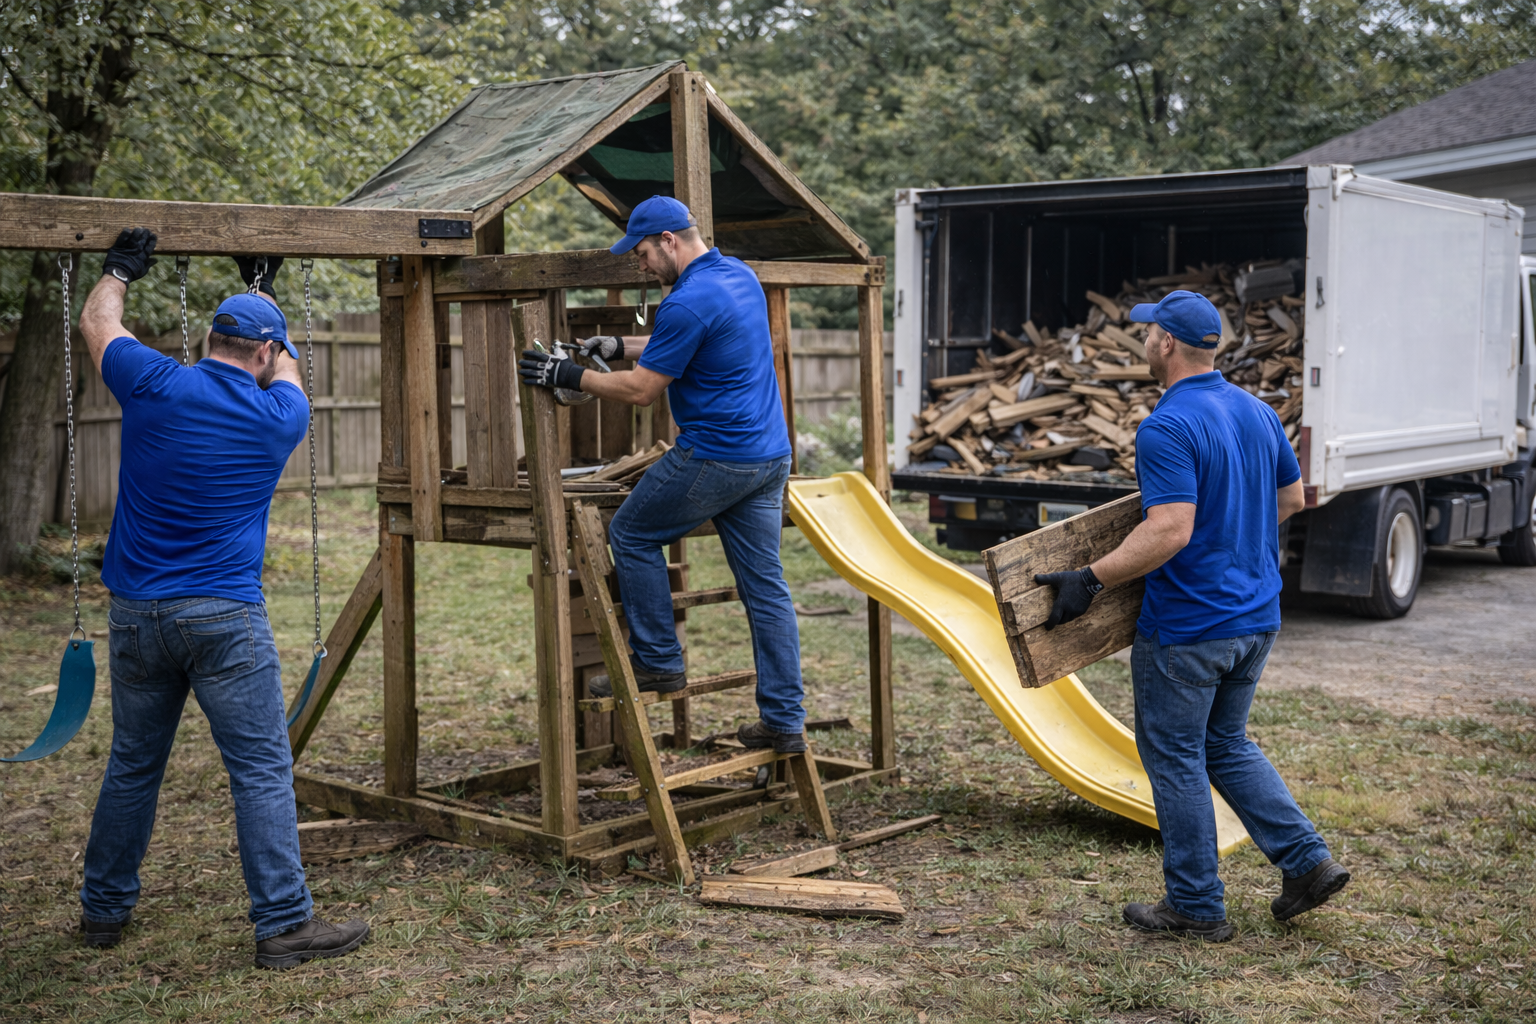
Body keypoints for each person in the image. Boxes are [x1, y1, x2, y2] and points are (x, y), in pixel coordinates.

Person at [75, 228, 368, 969]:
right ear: (265, 353)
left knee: (134, 764)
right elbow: (290, 370)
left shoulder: (154, 381)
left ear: (208, 338)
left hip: (137, 615)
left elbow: (98, 322)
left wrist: (118, 270)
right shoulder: (280, 417)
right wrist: (265, 289)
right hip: (225, 619)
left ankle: (104, 911)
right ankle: (282, 924)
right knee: (261, 770)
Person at [1034, 289, 1350, 942]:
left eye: (1147, 332)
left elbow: (1170, 530)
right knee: (1225, 745)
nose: (1143, 341)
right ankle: (1308, 863)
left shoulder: (1168, 426)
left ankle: (1196, 907)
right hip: (1256, 618)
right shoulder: (1258, 412)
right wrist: (1234, 539)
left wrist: (1090, 579)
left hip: (1189, 629)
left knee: (1176, 757)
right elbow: (1290, 497)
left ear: (1166, 344)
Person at [518, 196, 808, 753]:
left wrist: (568, 373)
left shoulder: (686, 300)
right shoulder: (738, 276)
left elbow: (641, 389)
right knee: (766, 590)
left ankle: (656, 662)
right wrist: (620, 344)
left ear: (671, 240)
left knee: (630, 533)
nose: (642, 266)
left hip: (717, 457)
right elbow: (691, 341)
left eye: (645, 254)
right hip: (769, 458)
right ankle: (784, 721)